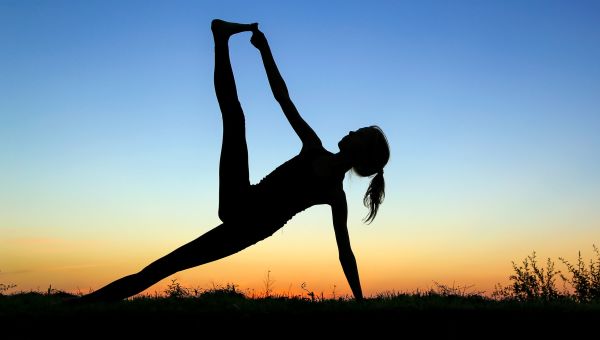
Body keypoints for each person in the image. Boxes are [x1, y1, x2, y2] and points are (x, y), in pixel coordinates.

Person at [78, 19, 389, 302]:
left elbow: (345, 252)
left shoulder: (334, 193)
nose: (350, 130)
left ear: (360, 153)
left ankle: (83, 304)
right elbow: (282, 95)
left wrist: (360, 301)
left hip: (244, 230)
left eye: (358, 133)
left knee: (165, 266)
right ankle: (221, 37)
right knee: (235, 117)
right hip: (240, 199)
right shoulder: (314, 148)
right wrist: (264, 50)